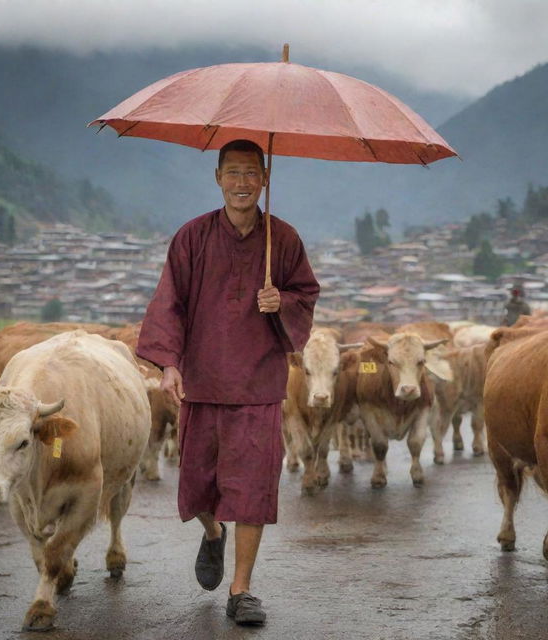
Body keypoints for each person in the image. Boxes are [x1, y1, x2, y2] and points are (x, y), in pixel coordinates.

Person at [136, 139, 319, 626]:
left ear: (265, 180)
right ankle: (212, 533)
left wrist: (282, 301)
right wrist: (168, 364)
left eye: (251, 173)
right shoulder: (192, 237)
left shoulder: (283, 239)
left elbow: (307, 294)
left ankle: (241, 590)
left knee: (253, 488)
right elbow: (169, 302)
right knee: (197, 484)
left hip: (259, 383)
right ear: (217, 178)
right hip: (202, 380)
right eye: (232, 173)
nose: (242, 182)